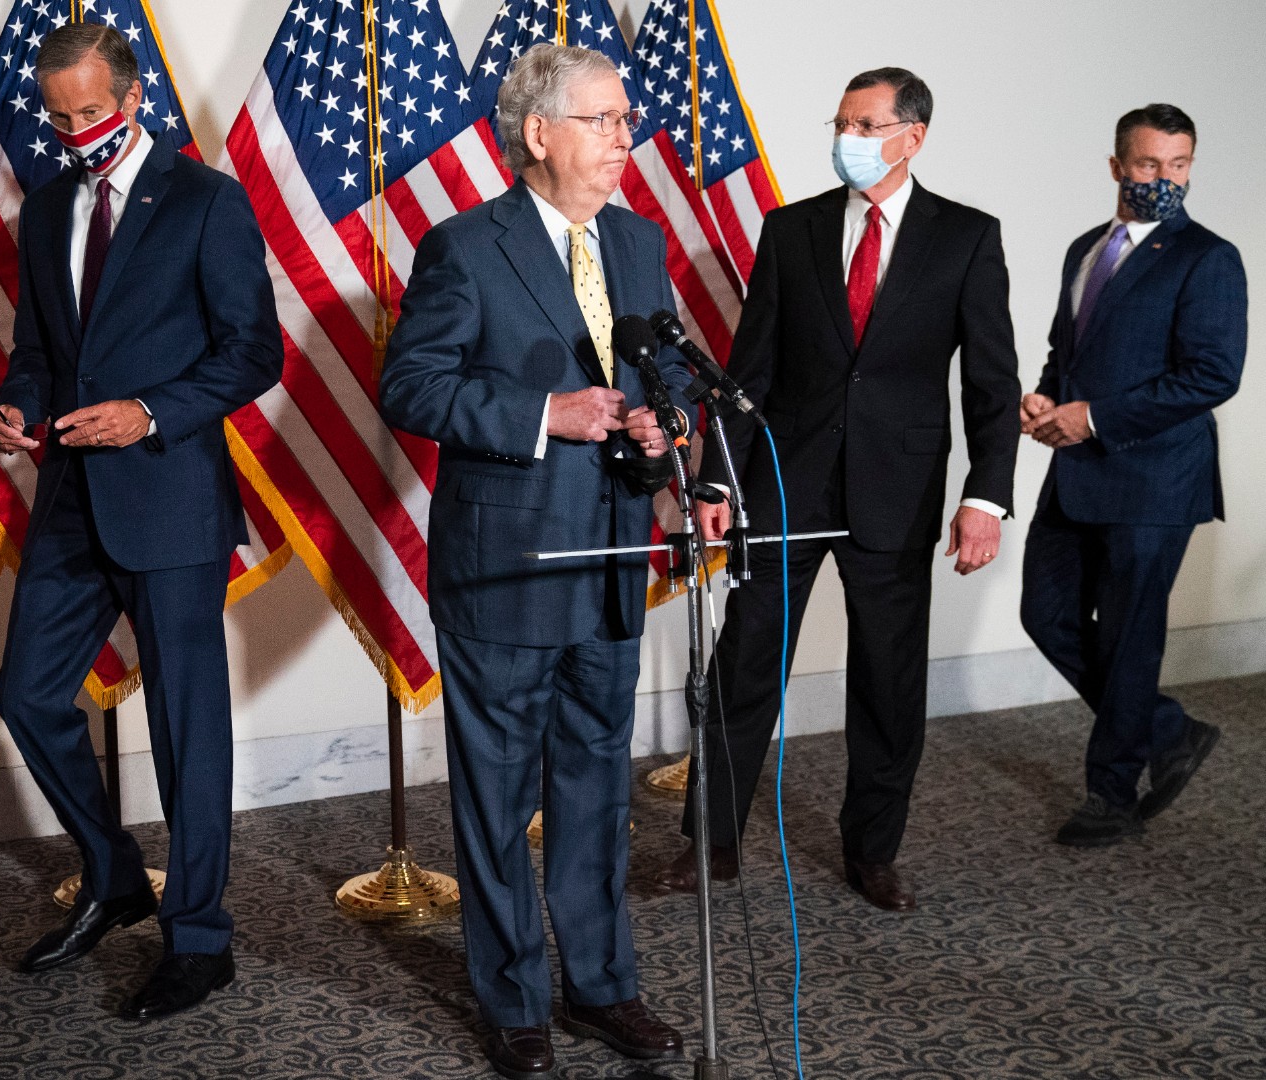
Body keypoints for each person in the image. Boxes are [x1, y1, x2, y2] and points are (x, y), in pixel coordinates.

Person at [379, 43, 696, 1079]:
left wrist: (667, 430)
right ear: (540, 134)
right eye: (603, 121)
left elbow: (668, 378)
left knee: (599, 793)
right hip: (504, 568)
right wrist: (539, 415)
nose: (623, 140)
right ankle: (512, 1001)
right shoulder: (466, 248)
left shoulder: (641, 244)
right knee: (498, 798)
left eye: (625, 120)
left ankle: (603, 987)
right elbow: (412, 389)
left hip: (610, 560)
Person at [667, 67, 1021, 912]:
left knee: (889, 680)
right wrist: (719, 476)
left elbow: (993, 384)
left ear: (913, 136)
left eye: (864, 124)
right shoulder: (792, 229)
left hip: (897, 492)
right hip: (786, 484)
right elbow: (749, 370)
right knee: (745, 663)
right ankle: (709, 843)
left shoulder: (966, 237)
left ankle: (872, 850)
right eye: (841, 122)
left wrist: (986, 497)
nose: (847, 139)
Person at [0, 24, 281, 1020]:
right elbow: (36, 348)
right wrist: (17, 404)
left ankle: (200, 940)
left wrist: (152, 412)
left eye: (92, 113)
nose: (76, 134)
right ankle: (115, 876)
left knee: (188, 732)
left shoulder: (206, 200)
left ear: (135, 94)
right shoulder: (45, 208)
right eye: (60, 117)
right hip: (69, 496)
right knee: (27, 696)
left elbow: (253, 354)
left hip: (171, 496)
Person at [1020, 104, 1245, 847]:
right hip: (1078, 471)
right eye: (1150, 166)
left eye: (1179, 166)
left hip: (1156, 481)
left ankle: (1111, 796)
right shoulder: (1087, 248)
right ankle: (1167, 729)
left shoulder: (1208, 258)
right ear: (1117, 166)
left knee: (1127, 638)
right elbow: (1067, 351)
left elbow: (1212, 375)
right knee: (1046, 615)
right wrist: (1049, 398)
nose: (1164, 180)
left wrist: (1098, 417)